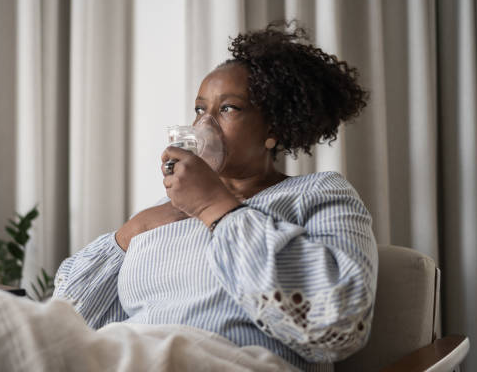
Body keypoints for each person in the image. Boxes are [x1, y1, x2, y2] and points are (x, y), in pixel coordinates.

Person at [53, 22, 378, 372]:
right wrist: (129, 234)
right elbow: (64, 324)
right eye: (199, 109)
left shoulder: (317, 193)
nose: (204, 124)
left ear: (274, 128)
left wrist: (216, 208)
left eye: (228, 109)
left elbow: (340, 322)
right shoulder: (161, 216)